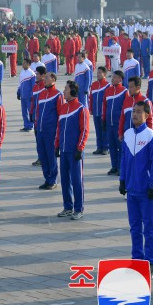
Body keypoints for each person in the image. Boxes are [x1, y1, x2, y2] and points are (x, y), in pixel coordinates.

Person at [119, 101, 153, 269]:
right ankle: (137, 258)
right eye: (133, 111)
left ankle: (149, 260)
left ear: (147, 115)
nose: (134, 114)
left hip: (146, 190)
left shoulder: (152, 136)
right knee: (135, 227)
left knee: (149, 227)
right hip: (132, 189)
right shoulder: (128, 134)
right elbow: (123, 159)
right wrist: (122, 180)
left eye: (138, 112)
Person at [55, 80, 89, 220]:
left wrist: (80, 148)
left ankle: (78, 208)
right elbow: (59, 129)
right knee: (64, 180)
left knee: (76, 180)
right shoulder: (63, 108)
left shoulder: (81, 109)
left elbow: (84, 130)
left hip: (75, 151)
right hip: (63, 150)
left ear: (73, 92)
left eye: (66, 89)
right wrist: (57, 145)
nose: (64, 91)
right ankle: (67, 207)